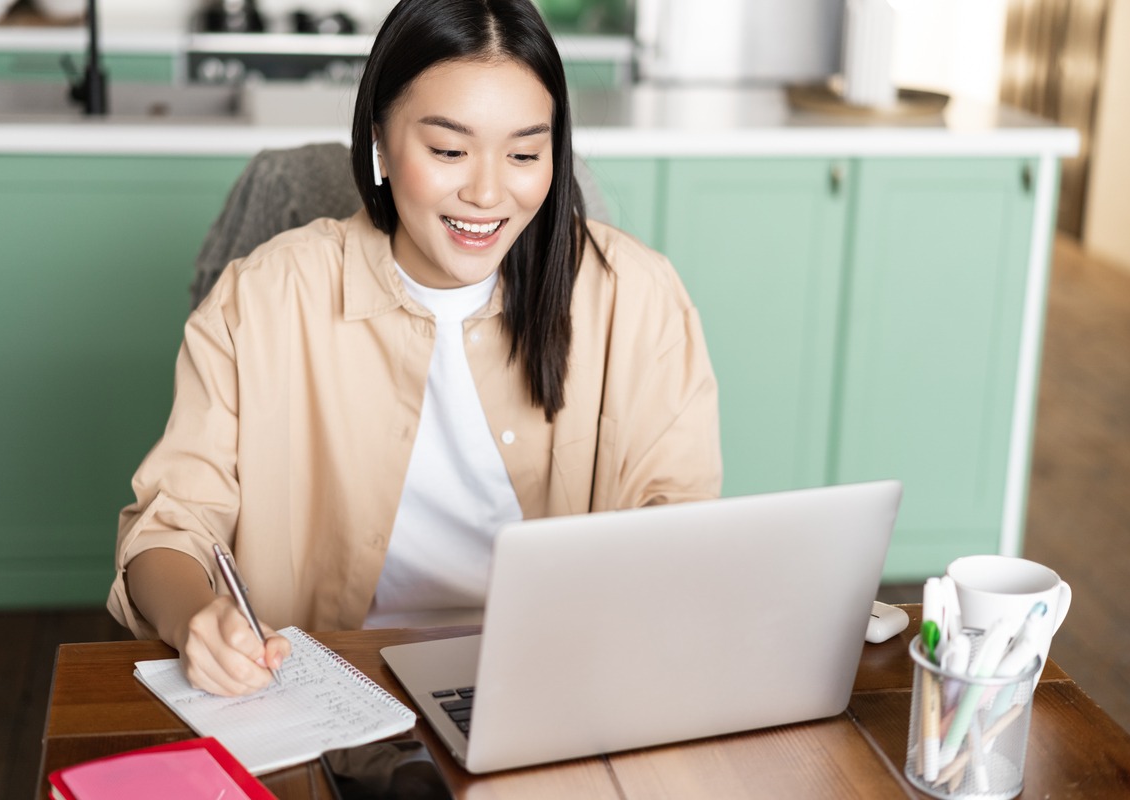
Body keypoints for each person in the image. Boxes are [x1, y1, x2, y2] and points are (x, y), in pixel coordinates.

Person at [108, 0, 721, 697]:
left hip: (556, 684)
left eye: (524, 154)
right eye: (449, 151)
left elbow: (679, 527)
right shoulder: (265, 299)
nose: (488, 192)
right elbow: (169, 528)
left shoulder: (635, 297)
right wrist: (197, 620)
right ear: (379, 141)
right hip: (332, 689)